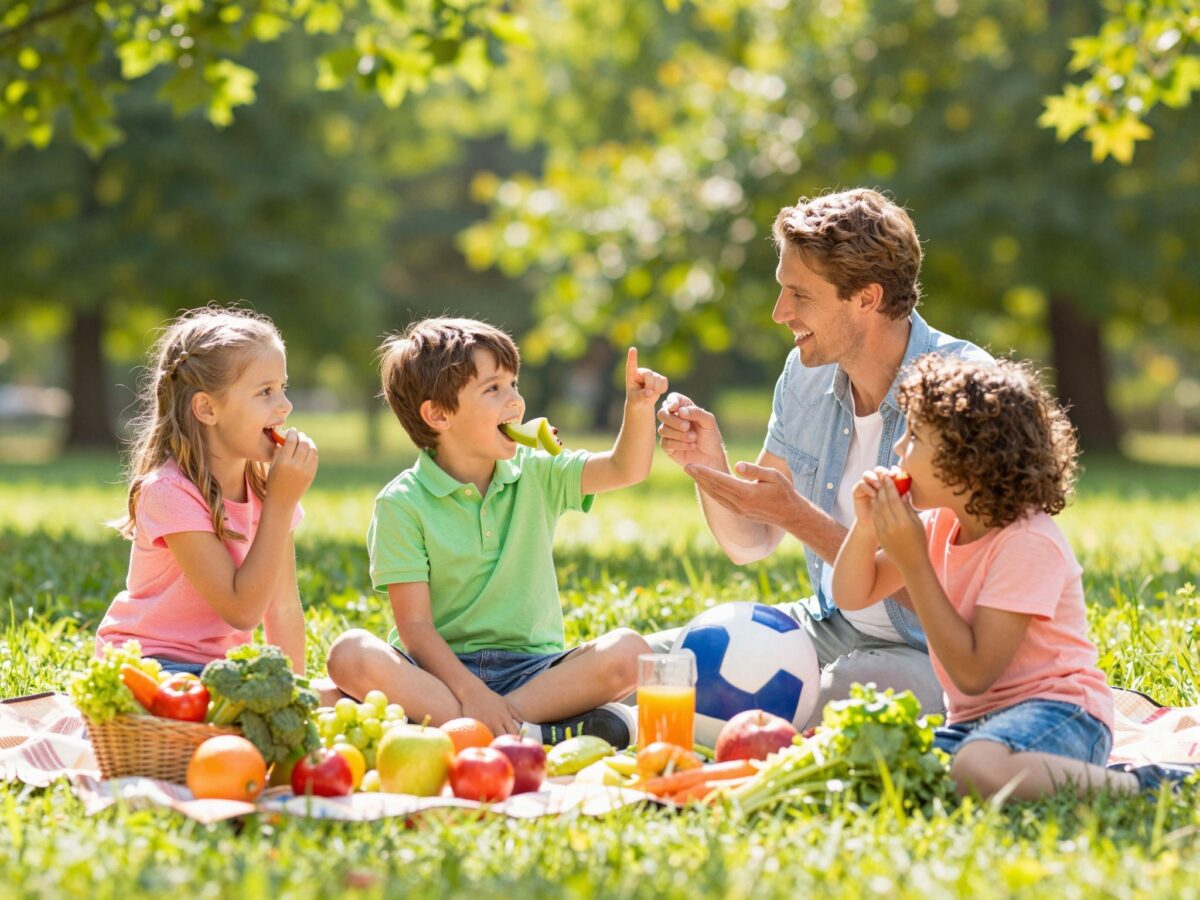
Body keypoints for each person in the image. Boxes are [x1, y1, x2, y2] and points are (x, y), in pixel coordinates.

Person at [654, 188, 990, 727]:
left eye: (799, 295)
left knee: (824, 694)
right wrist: (708, 465)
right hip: (828, 627)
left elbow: (955, 602)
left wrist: (797, 516)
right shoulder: (805, 374)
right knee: (651, 663)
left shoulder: (963, 390)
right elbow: (752, 542)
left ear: (866, 298)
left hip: (937, 655)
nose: (779, 312)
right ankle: (553, 721)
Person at [832, 354, 1196, 798]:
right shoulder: (942, 526)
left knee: (977, 765)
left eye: (914, 436)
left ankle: (1148, 786)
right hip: (976, 724)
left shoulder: (1028, 542)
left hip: (1062, 714)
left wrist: (914, 564)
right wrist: (866, 526)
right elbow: (852, 594)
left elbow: (973, 674)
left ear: (965, 458)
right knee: (891, 765)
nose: (897, 449)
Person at [325, 318, 666, 746]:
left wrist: (637, 407)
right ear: (438, 414)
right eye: (494, 389)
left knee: (631, 653)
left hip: (534, 671)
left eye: (514, 384)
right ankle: (529, 732)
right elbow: (416, 629)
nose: (516, 402)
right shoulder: (402, 504)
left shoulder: (538, 471)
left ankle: (474, 730)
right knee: (349, 654)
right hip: (440, 676)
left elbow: (624, 468)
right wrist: (471, 694)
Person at [96, 306, 316, 676]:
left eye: (283, 388)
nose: (285, 406)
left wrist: (294, 695)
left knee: (341, 684)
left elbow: (282, 608)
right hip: (151, 666)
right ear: (207, 408)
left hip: (219, 671)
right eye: (265, 392)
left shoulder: (269, 489)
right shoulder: (169, 492)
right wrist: (280, 503)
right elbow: (242, 610)